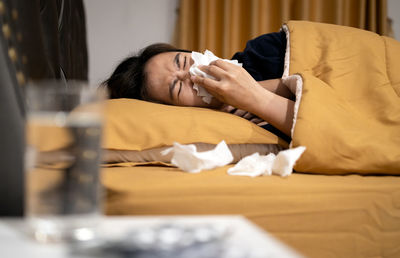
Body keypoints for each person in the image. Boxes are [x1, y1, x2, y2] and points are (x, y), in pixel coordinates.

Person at [104, 31, 295, 142]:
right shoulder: (223, 132)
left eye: (183, 62)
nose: (188, 74)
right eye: (177, 87)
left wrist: (251, 91)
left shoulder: (265, 50)